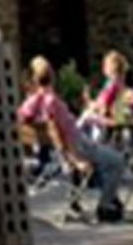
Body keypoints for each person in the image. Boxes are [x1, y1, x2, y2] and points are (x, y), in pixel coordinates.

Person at [17, 59, 126, 223]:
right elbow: (57, 133)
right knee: (118, 161)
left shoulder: (33, 101)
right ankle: (105, 205)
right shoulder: (51, 101)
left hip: (77, 144)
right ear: (52, 76)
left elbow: (22, 117)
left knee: (106, 161)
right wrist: (74, 159)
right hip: (79, 145)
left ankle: (93, 201)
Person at [82, 51, 130, 140]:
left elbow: (104, 107)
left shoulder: (113, 84)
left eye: (105, 65)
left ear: (111, 67)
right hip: (114, 118)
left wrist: (89, 102)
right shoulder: (117, 82)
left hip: (112, 120)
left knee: (86, 116)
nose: (103, 68)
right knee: (87, 115)